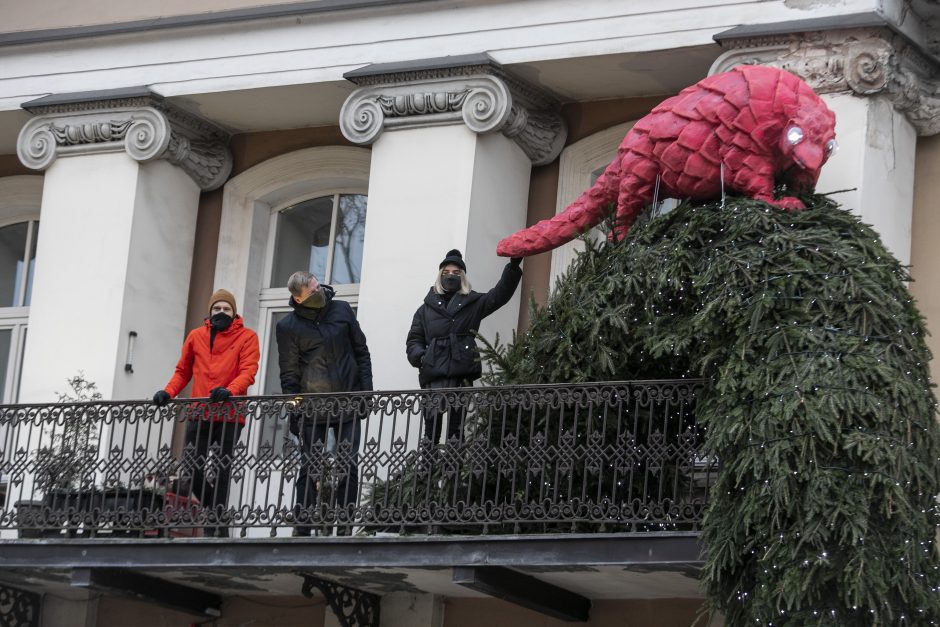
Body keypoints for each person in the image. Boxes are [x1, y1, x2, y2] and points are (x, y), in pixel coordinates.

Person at [152, 288, 260, 537]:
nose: (221, 313)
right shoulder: (196, 336)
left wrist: (230, 390)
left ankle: (215, 531)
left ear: (234, 313)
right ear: (210, 312)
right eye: (216, 309)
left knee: (222, 470)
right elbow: (183, 371)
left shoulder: (247, 337)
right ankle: (218, 516)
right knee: (191, 468)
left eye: (226, 309)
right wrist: (168, 392)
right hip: (199, 412)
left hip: (230, 413)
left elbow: (248, 371)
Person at [276, 270, 373, 536]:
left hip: (348, 402)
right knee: (310, 468)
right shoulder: (288, 327)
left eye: (318, 286)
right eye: (312, 291)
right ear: (298, 298)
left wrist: (366, 394)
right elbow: (289, 374)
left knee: (348, 465)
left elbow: (361, 352)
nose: (319, 291)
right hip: (312, 409)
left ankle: (344, 526)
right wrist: (295, 411)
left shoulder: (341, 310)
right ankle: (303, 526)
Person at [406, 249, 522, 444]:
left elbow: (499, 295)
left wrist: (513, 267)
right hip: (433, 375)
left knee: (455, 432)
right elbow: (414, 340)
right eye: (446, 272)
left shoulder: (473, 303)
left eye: (456, 272)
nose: (451, 275)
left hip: (460, 375)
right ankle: (428, 472)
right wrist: (422, 356)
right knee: (431, 432)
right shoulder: (424, 310)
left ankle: (454, 473)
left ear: (463, 276)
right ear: (440, 276)